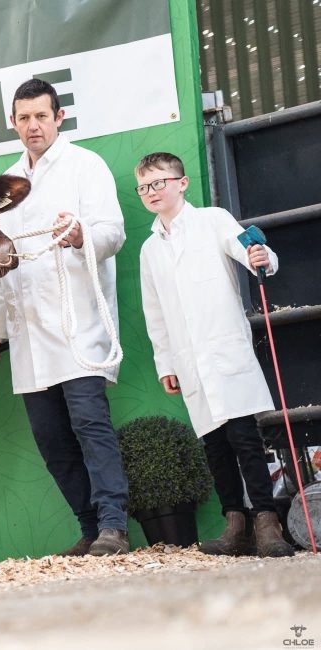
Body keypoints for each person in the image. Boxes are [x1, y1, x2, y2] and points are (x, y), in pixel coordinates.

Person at [0, 79, 129, 556]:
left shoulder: (86, 167)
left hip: (78, 326)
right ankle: (88, 526)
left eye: (41, 115)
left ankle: (114, 527)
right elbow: (0, 267)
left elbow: (113, 234)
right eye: (23, 118)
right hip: (29, 335)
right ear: (12, 123)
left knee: (90, 426)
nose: (32, 125)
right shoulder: (6, 184)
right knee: (52, 441)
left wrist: (80, 235)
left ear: (59, 117)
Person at [134, 151, 294, 557]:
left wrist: (263, 257)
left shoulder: (213, 219)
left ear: (181, 183)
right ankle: (234, 523)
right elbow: (155, 314)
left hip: (224, 348)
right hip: (188, 358)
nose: (151, 191)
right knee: (215, 444)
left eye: (159, 182)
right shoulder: (149, 250)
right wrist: (165, 363)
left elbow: (250, 252)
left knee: (244, 436)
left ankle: (265, 520)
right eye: (144, 186)